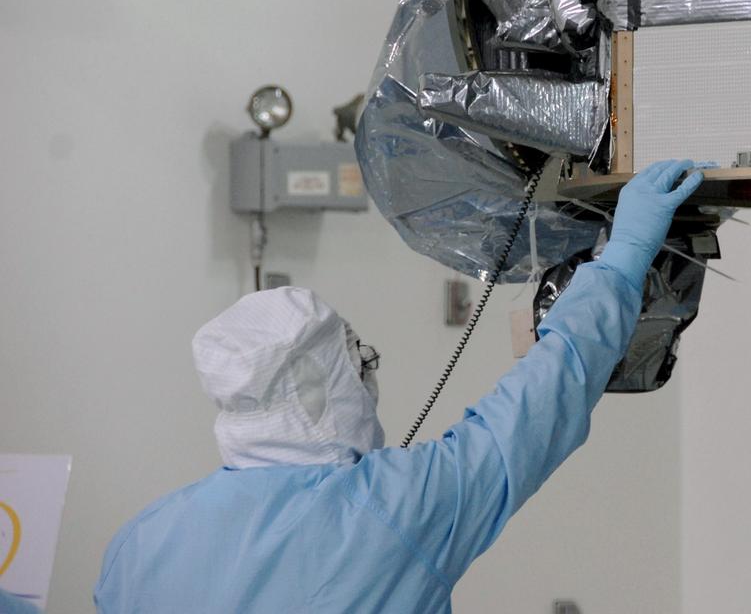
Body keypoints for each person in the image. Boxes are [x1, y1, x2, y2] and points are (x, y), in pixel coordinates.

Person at [94, 159, 703, 613]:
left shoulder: (141, 542)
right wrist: (624, 257)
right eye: (359, 362)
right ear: (320, 389)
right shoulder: (392, 509)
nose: (370, 379)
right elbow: (544, 398)